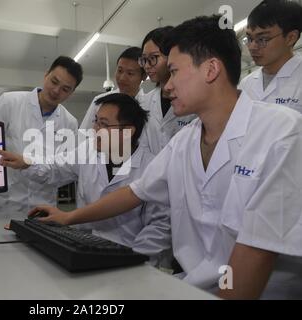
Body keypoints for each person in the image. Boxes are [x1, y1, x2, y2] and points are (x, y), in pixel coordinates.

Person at [28, 16, 302, 300]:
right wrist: (68, 217)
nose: (167, 86)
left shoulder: (282, 132)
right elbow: (135, 192)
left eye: (173, 72)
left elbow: (257, 249)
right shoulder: (184, 141)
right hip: (192, 284)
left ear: (210, 70)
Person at [0, 93, 172, 266]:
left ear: (128, 131)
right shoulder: (88, 151)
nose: (95, 130)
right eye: (96, 122)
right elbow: (54, 168)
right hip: (84, 246)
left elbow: (160, 226)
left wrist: (136, 259)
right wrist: (25, 163)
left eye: (104, 124)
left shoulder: (152, 167)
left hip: (130, 256)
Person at [0, 56, 83, 215]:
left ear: (71, 93)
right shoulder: (10, 102)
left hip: (42, 209)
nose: (56, 91)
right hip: (3, 205)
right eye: (54, 81)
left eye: (65, 89)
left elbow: (66, 170)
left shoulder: (70, 123)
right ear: (46, 75)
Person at [139, 27, 196, 155]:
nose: (147, 66)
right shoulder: (144, 103)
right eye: (144, 59)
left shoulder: (194, 101)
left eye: (153, 58)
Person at [239, 0, 302, 113]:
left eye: (262, 39)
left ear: (291, 37)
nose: (252, 47)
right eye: (249, 39)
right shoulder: (246, 84)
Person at [80, 47, 147, 130]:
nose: (122, 78)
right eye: (120, 71)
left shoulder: (148, 104)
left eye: (130, 73)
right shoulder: (100, 101)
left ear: (144, 76)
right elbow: (83, 135)